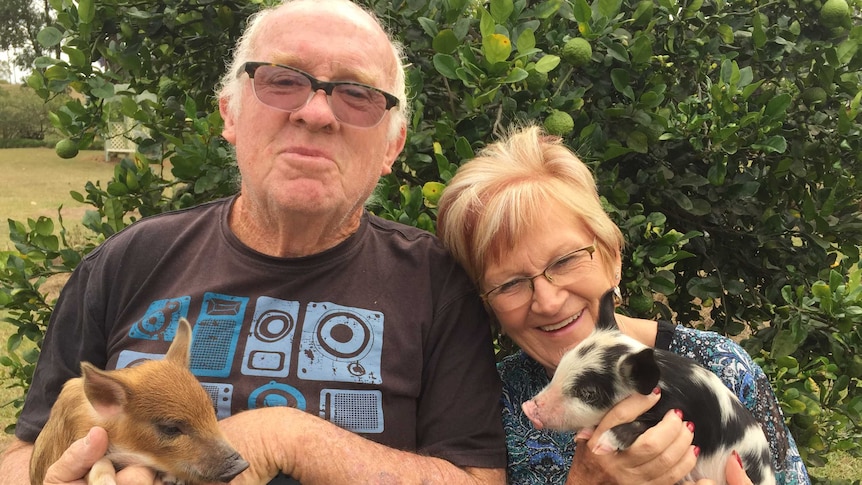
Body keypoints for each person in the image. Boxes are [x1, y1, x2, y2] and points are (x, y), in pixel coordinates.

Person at [0, 1, 509, 483]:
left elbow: (477, 477)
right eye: (283, 80)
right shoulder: (128, 260)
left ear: (392, 146)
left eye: (356, 93)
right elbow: (27, 446)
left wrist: (288, 438)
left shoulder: (435, 283)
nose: (315, 113)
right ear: (230, 115)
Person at [435, 124, 811, 484]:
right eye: (510, 283)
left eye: (565, 260)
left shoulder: (722, 367)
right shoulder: (483, 402)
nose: (547, 302)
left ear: (613, 256)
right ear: (487, 304)